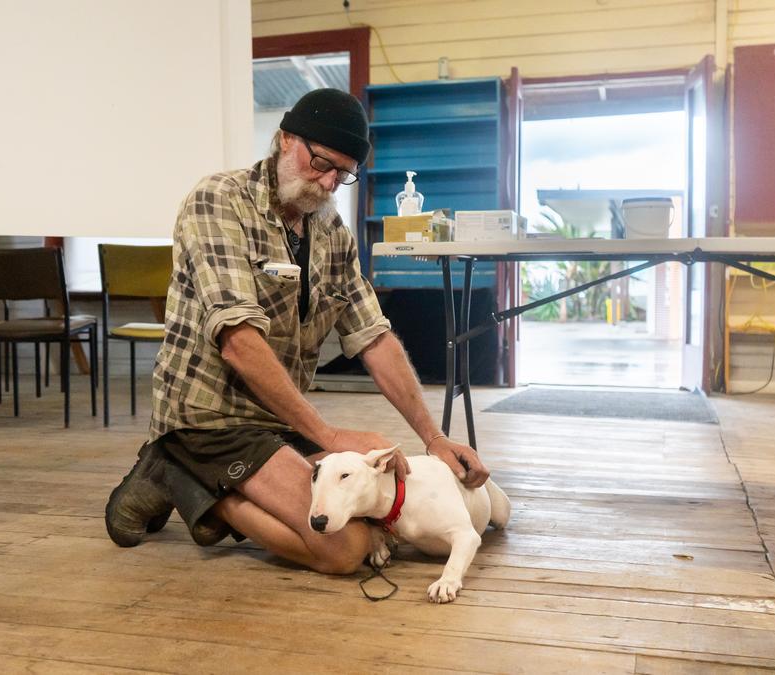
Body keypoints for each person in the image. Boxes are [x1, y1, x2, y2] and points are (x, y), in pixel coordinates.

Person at [104, 88, 489, 575]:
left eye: (343, 174)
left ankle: (217, 488)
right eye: (322, 163)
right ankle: (189, 474)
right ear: (285, 139)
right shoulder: (218, 202)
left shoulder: (331, 234)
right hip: (210, 419)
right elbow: (240, 343)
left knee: (375, 490)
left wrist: (433, 437)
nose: (328, 182)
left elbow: (374, 335)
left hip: (277, 418)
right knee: (348, 549)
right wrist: (328, 433)